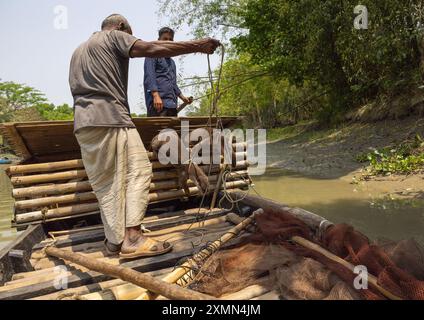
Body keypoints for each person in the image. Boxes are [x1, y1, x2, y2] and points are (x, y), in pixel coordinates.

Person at [69, 14, 220, 259]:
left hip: (84, 124)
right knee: (139, 170)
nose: (130, 38)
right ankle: (133, 237)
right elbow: (150, 49)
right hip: (112, 118)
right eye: (130, 33)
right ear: (121, 27)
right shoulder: (114, 36)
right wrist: (198, 46)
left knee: (106, 184)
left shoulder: (78, 51)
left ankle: (114, 241)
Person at [144, 27, 193, 117]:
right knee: (159, 131)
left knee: (174, 130)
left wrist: (183, 98)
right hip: (158, 103)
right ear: (158, 40)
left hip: (172, 104)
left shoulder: (172, 62)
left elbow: (173, 84)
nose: (168, 41)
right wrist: (155, 95)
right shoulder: (152, 55)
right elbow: (149, 76)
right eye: (165, 39)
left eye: (170, 39)